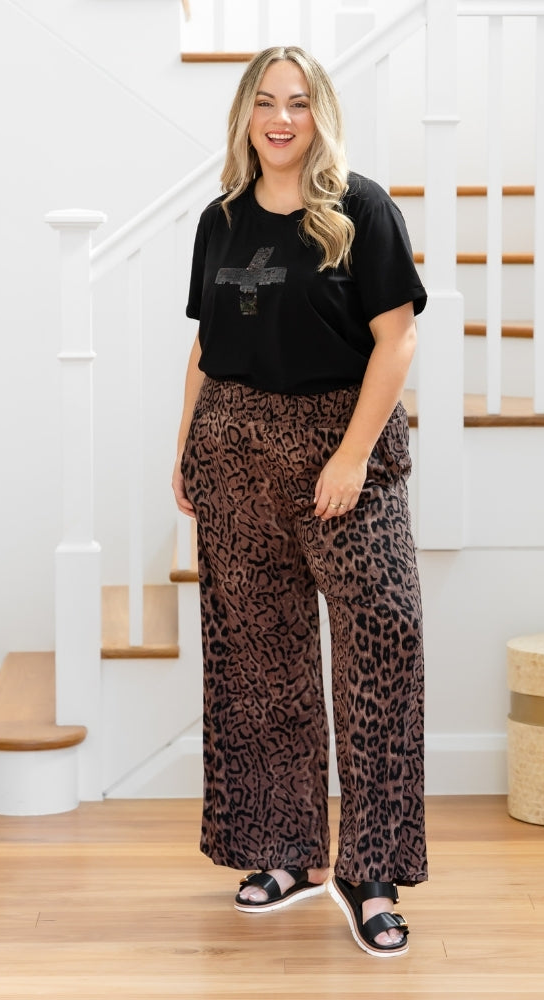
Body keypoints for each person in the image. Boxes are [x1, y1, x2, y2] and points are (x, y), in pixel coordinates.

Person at [172, 45, 427, 958]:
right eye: (266, 103)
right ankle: (285, 851)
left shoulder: (361, 208)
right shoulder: (220, 220)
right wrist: (185, 451)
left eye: (300, 103)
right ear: (246, 114)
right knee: (259, 659)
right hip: (234, 448)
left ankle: (372, 870)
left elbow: (394, 344)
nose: (282, 119)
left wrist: (354, 456)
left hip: (341, 445)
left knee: (382, 644)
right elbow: (206, 346)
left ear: (321, 115)